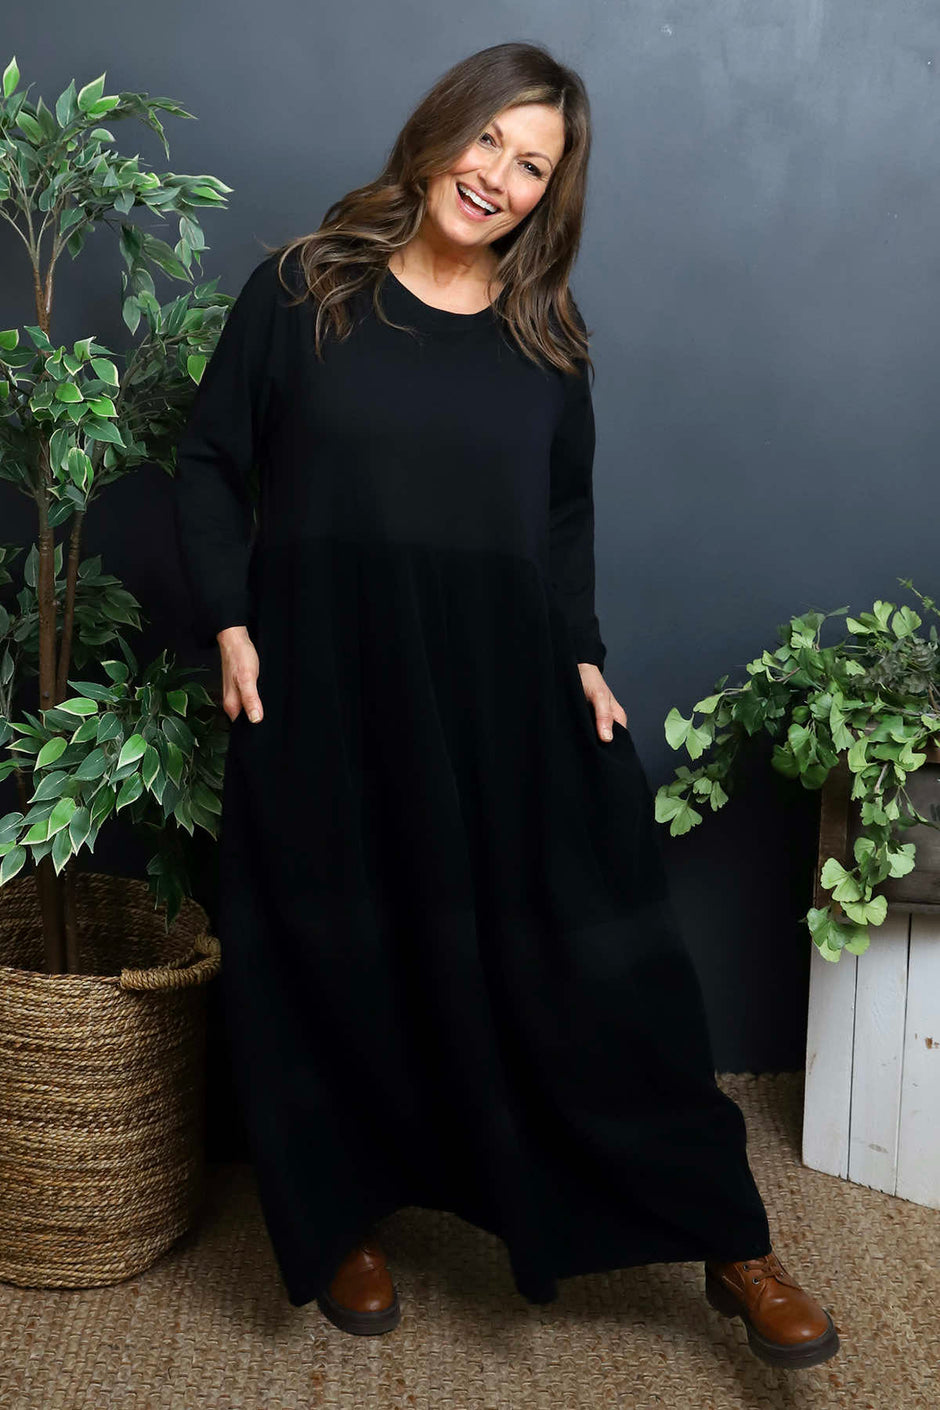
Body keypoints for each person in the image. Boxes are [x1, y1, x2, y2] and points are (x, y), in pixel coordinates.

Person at [172, 41, 839, 1370]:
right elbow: (207, 462)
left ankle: (730, 1239)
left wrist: (580, 653)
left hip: (502, 692)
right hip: (328, 688)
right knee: (337, 959)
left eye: (533, 166)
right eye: (489, 141)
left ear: (550, 194)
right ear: (441, 131)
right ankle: (340, 1215)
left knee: (599, 967)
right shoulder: (305, 290)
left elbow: (564, 518)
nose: (498, 178)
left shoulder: (547, 340)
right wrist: (232, 623)